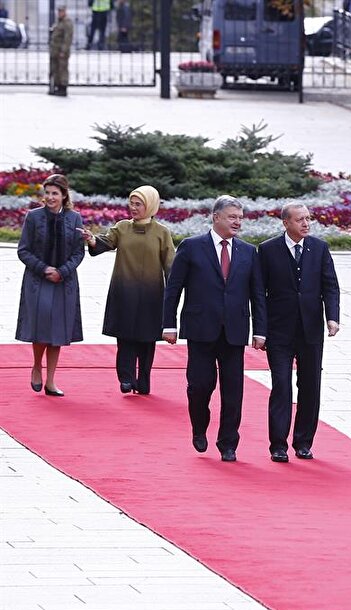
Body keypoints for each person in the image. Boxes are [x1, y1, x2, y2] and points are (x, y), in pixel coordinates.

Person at [162, 195, 267, 462]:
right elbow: (173, 289)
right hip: (200, 329)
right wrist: (168, 324)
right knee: (199, 386)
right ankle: (199, 426)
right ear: (216, 217)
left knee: (233, 390)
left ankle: (228, 443)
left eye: (240, 218)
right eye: (232, 217)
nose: (237, 222)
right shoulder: (191, 247)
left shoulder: (247, 251)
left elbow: (257, 295)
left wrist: (260, 330)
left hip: (234, 330)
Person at [258, 203, 340, 462]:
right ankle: (278, 445)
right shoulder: (268, 250)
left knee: (310, 386)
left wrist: (333, 317)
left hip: (310, 330)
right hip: (279, 330)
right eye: (300, 220)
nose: (306, 224)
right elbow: (259, 293)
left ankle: (303, 442)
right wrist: (259, 330)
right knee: (281, 385)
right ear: (286, 223)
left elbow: (331, 286)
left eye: (308, 219)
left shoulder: (319, 248)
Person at [82, 185, 175, 395]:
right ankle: (126, 378)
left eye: (138, 204)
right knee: (125, 339)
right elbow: (105, 242)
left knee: (146, 340)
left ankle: (143, 381)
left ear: (150, 205)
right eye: (131, 203)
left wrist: (174, 292)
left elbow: (171, 265)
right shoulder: (122, 227)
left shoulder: (162, 232)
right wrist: (92, 240)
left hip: (151, 294)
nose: (133, 207)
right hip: (124, 291)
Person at [16, 174, 84, 397]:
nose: (50, 197)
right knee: (41, 328)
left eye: (55, 193)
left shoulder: (75, 219)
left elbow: (78, 253)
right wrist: (44, 269)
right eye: (47, 193)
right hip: (38, 280)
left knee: (58, 332)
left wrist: (62, 271)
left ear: (64, 196)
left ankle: (51, 381)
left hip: (64, 282)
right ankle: (37, 366)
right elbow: (23, 250)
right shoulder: (33, 217)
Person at [49, 6, 73, 97]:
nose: (59, 13)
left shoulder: (67, 22)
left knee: (62, 69)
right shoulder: (59, 22)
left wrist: (64, 50)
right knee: (55, 69)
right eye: (59, 11)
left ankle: (63, 87)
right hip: (55, 50)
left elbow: (68, 38)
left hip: (61, 51)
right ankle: (57, 86)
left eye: (61, 11)